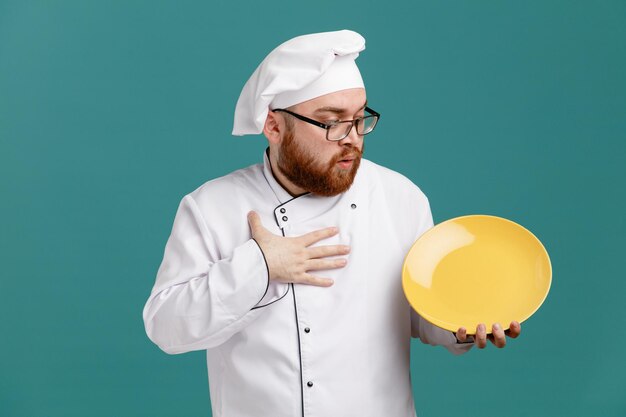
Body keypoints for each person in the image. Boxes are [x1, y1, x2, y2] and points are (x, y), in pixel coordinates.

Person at [142, 29, 521, 417]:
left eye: (360, 119)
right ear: (274, 126)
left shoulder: (399, 198)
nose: (352, 139)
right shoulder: (213, 207)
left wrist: (459, 323)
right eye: (332, 123)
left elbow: (420, 315)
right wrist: (261, 266)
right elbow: (166, 329)